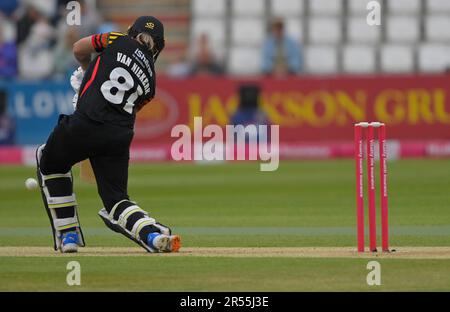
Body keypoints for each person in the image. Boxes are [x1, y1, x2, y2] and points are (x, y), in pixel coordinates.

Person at [36, 16, 181, 253]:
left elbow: (78, 48)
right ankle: (152, 235)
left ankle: (68, 234)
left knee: (48, 161)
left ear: (131, 31)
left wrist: (86, 72)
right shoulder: (151, 83)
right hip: (118, 136)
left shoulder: (117, 39)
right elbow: (127, 108)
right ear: (159, 46)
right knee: (116, 201)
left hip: (86, 123)